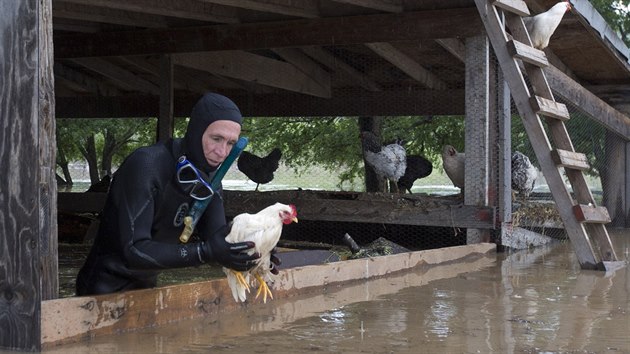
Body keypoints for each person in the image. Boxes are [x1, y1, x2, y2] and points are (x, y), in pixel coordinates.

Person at [76, 92, 275, 296]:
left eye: (231, 143)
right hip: (100, 290)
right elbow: (133, 250)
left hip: (145, 291)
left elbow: (219, 243)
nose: (222, 152)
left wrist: (254, 250)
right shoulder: (146, 165)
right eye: (216, 139)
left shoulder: (212, 178)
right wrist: (203, 252)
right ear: (196, 131)